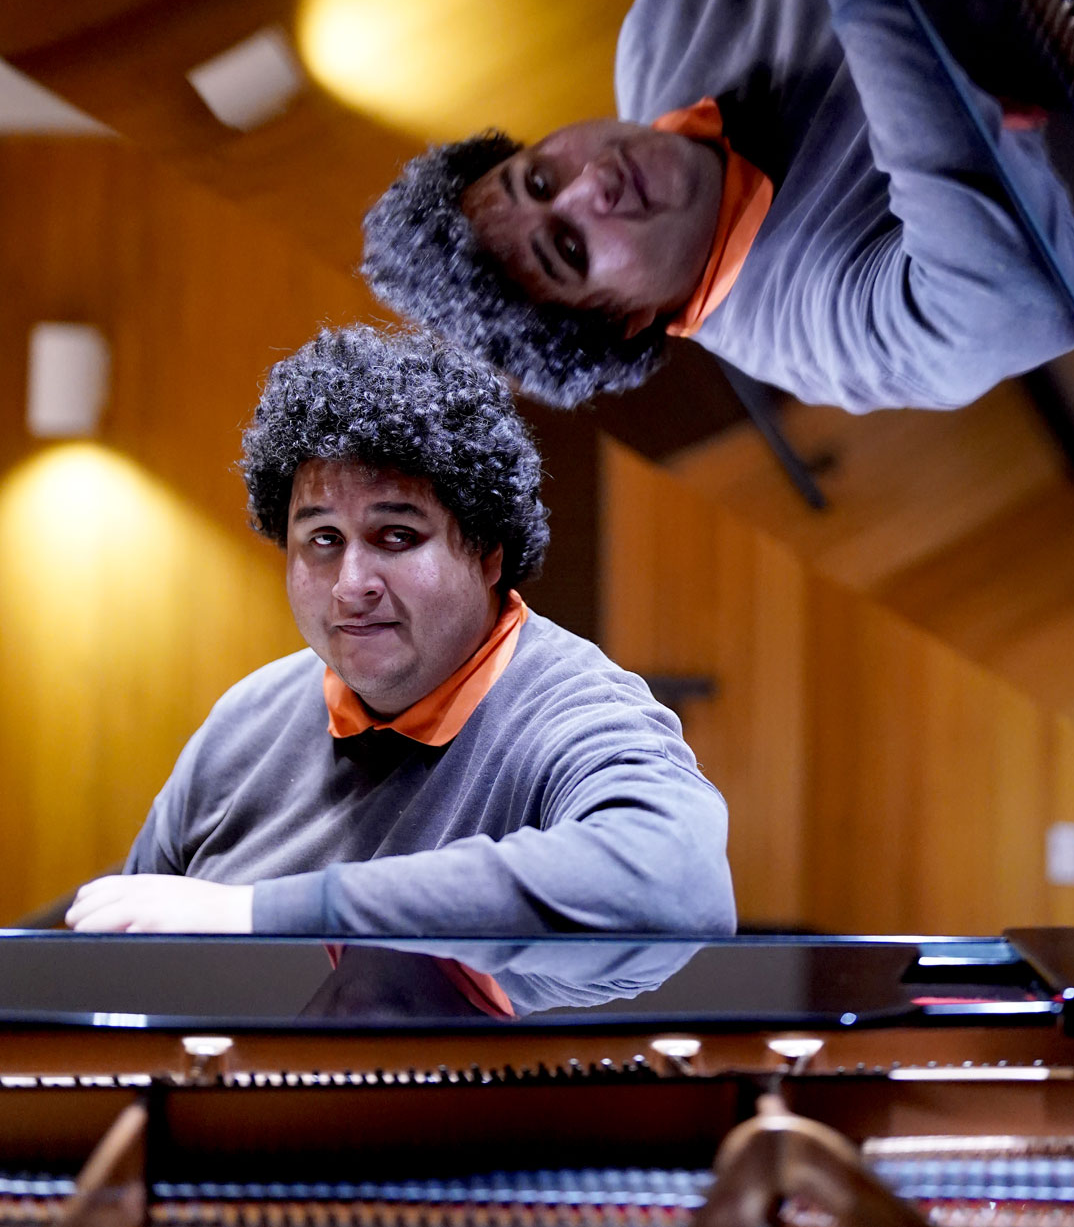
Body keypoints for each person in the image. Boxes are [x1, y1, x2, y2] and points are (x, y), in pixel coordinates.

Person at [361, 0, 1074, 413]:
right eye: (570, 247)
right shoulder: (813, 334)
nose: (591, 186)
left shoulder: (655, 38)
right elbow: (1021, 306)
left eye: (540, 176)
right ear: (629, 319)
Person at [65, 325, 734, 938]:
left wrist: (262, 912)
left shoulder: (575, 715)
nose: (352, 581)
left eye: (397, 536)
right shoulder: (243, 723)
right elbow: (118, 961)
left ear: (487, 550)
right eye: (323, 539)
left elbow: (677, 883)